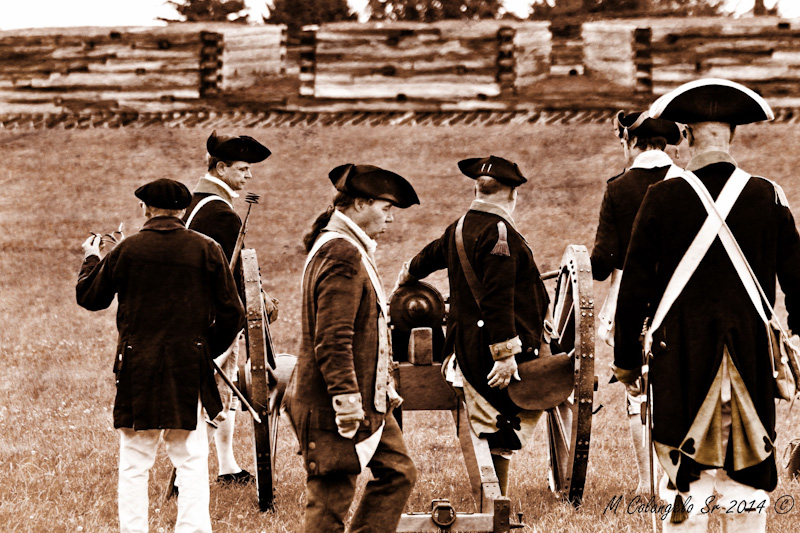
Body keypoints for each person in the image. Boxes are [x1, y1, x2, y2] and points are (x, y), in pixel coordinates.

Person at [613, 78, 800, 532]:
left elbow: (634, 287)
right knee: (747, 478)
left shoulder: (661, 198)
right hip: (750, 353)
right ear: (732, 135)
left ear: (688, 136)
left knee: (682, 481)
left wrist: (625, 363)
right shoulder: (768, 195)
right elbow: (798, 283)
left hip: (679, 356)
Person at [76, 178, 245, 533]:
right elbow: (233, 313)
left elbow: (91, 298)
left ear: (145, 209)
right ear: (182, 210)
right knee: (192, 459)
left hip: (138, 365)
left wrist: (92, 258)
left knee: (135, 462)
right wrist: (203, 350)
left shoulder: (128, 250)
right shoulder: (207, 248)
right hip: (188, 366)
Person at [396, 156, 550, 495]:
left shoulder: (460, 227)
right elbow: (497, 298)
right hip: (487, 353)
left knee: (497, 427)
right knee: (502, 426)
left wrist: (408, 272)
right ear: (512, 193)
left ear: (475, 189)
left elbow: (428, 257)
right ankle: (498, 501)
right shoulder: (499, 232)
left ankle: (496, 497)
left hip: (466, 346)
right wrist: (505, 354)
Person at [285, 163, 420, 532]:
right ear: (360, 203)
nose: (389, 219)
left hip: (368, 396)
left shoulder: (344, 246)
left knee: (398, 471)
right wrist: (346, 400)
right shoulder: (341, 252)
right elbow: (332, 337)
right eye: (385, 208)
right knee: (330, 502)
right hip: (337, 399)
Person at [591, 111, 683, 493]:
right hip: (682, 297)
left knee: (636, 391)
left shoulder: (618, 188)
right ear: (665, 144)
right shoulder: (689, 184)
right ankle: (675, 482)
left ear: (630, 143)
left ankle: (648, 484)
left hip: (633, 300)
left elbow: (599, 266)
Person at [184, 130, 272, 485]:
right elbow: (232, 273)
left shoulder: (193, 201)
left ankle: (227, 466)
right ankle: (186, 472)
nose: (248, 176)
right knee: (219, 391)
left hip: (192, 312)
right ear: (220, 168)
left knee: (227, 386)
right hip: (214, 318)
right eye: (242, 169)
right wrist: (258, 302)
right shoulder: (222, 214)